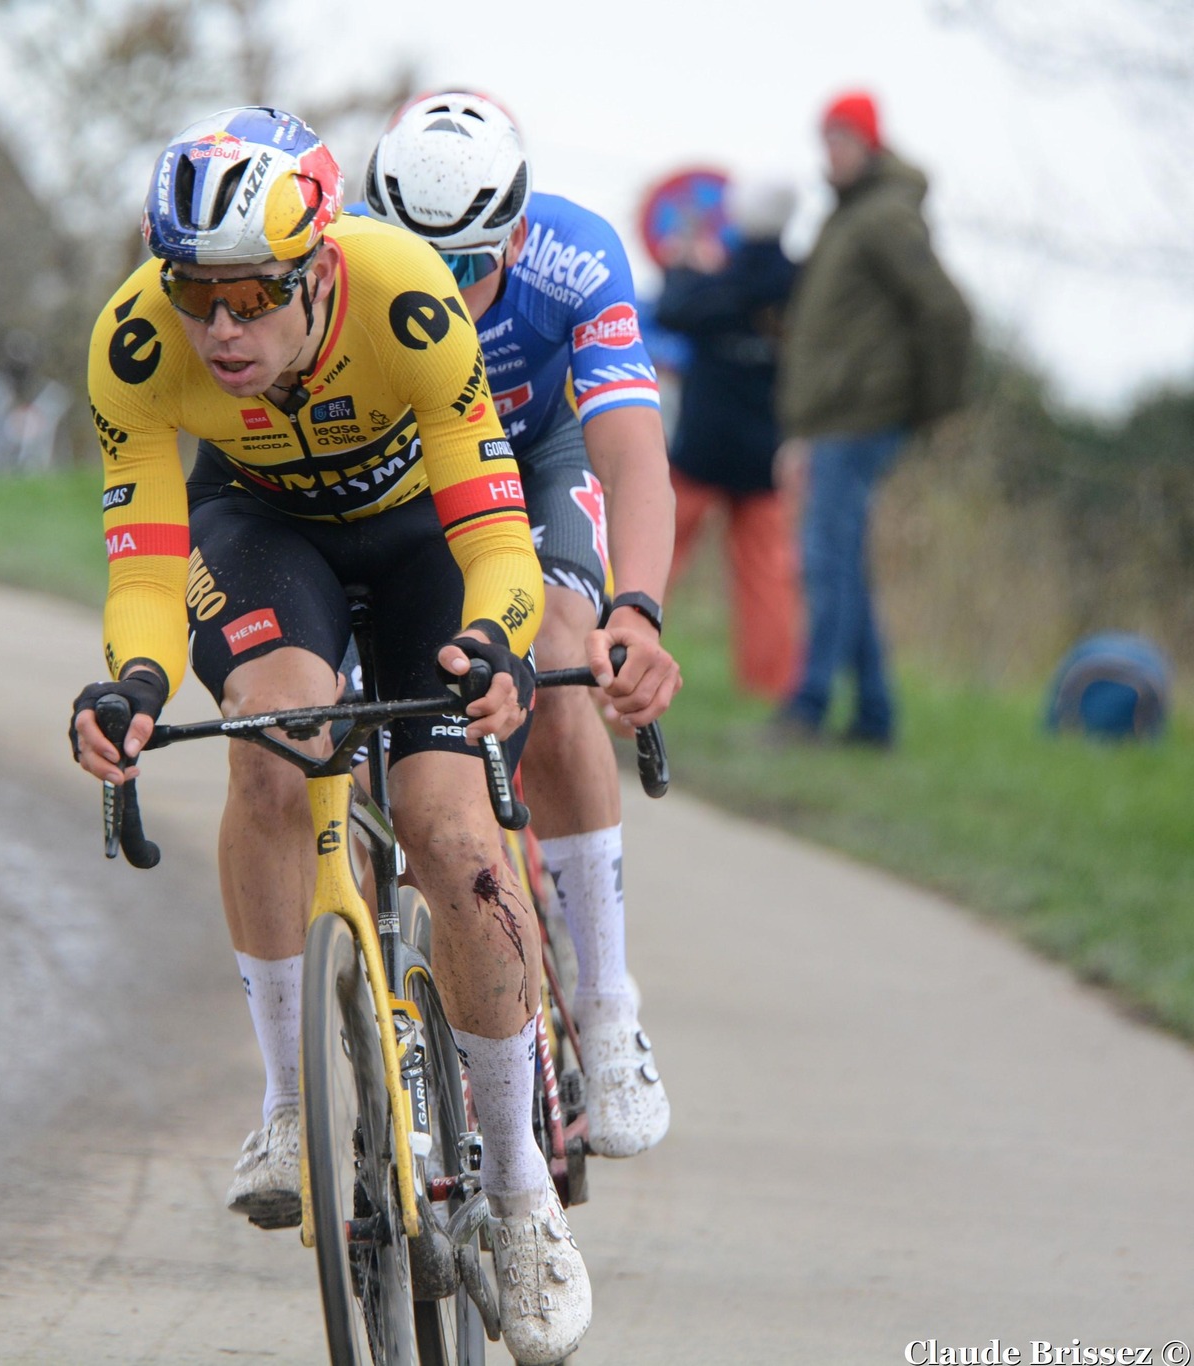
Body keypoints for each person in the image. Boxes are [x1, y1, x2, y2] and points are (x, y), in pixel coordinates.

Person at [69, 105, 592, 1364]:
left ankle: (520, 1195)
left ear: (319, 271)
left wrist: (501, 645)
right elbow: (142, 556)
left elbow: (491, 529)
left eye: (252, 295)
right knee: (274, 735)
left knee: (448, 824)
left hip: (425, 540)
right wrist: (134, 682)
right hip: (261, 536)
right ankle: (285, 1104)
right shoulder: (136, 342)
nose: (221, 329)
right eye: (198, 293)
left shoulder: (410, 298)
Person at [360, 92, 682, 1161]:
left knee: (552, 653)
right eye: (418, 267)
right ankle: (379, 1020)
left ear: (512, 233)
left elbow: (630, 452)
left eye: (463, 269)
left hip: (531, 458)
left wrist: (632, 608)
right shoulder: (344, 264)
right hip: (407, 480)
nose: (438, 295)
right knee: (362, 718)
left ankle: (604, 1000)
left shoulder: (572, 261)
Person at [776, 91, 972, 746]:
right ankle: (874, 718)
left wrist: (934, 411)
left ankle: (808, 707)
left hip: (862, 419)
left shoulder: (886, 216)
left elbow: (946, 311)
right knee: (842, 565)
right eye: (825, 140)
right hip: (834, 420)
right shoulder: (850, 215)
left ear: (869, 145)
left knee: (827, 561)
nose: (829, 154)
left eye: (840, 141)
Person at [655, 174, 803, 700]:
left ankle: (618, 649)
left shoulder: (720, 281)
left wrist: (681, 264)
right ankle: (769, 684)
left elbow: (671, 311)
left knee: (653, 556)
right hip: (765, 453)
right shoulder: (800, 284)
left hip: (700, 448)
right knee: (768, 577)